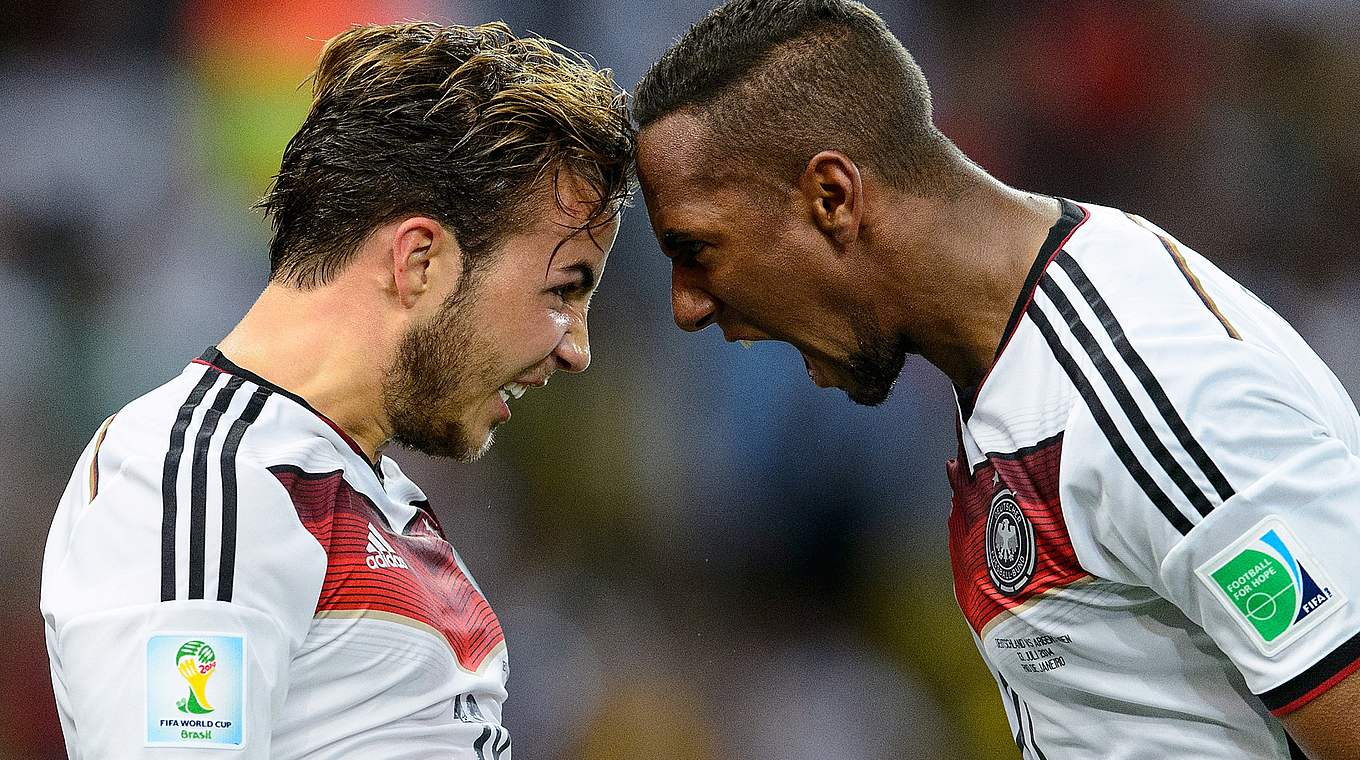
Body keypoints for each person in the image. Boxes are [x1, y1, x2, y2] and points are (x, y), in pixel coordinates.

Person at [632, 1, 1359, 757]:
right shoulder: (1018, 360)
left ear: (833, 199)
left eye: (697, 248)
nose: (687, 306)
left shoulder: (1144, 380)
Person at [41, 21, 632, 759]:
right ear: (419, 259)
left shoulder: (375, 497)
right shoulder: (205, 478)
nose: (576, 348)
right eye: (563, 289)